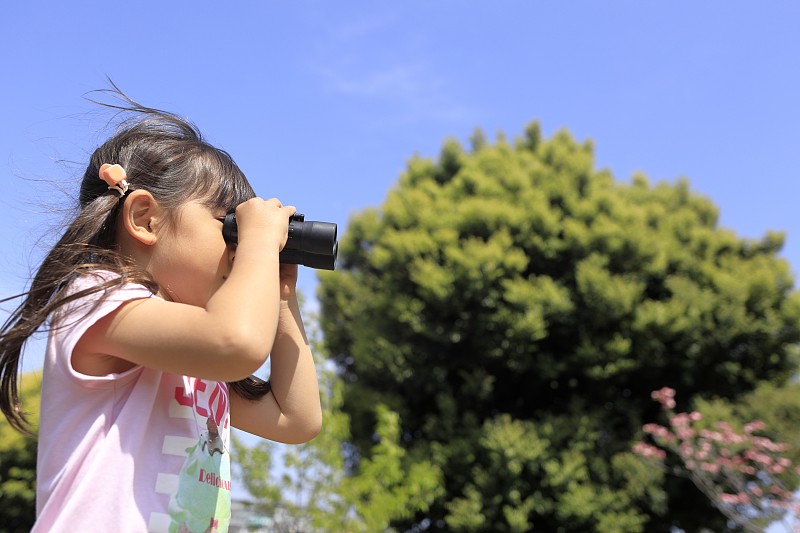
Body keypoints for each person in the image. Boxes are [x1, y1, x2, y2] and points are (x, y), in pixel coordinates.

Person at [0, 86, 323, 532]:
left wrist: (281, 291)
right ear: (146, 219)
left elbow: (295, 419)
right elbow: (236, 341)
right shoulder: (97, 297)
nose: (238, 250)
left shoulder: (187, 357)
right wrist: (260, 246)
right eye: (229, 227)